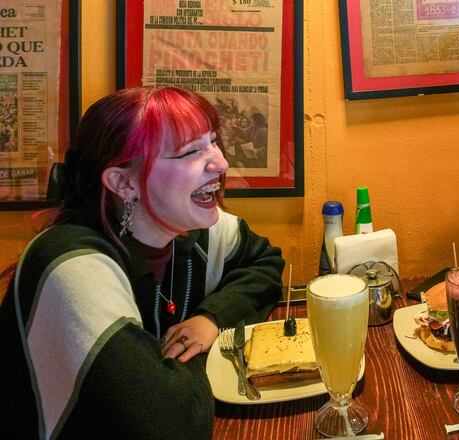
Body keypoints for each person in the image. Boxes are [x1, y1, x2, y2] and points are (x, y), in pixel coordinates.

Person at [0, 87, 285, 439]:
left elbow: (264, 263)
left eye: (212, 142)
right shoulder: (70, 267)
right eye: (190, 151)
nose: (222, 163)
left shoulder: (189, 229)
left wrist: (210, 320)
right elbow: (172, 424)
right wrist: (185, 356)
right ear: (123, 181)